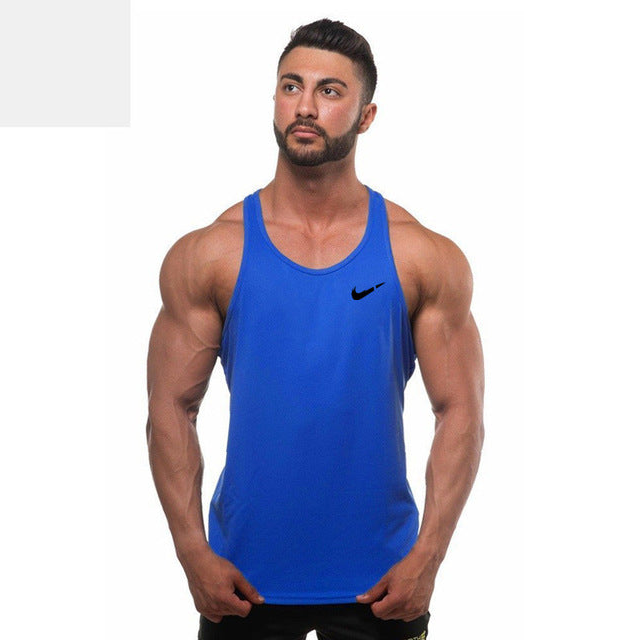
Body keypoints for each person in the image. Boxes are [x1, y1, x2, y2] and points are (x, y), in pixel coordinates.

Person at [146, 18, 485, 640]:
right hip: (240, 583)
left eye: (330, 91)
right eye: (291, 86)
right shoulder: (212, 253)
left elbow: (460, 410)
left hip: (384, 585)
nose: (305, 105)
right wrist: (192, 552)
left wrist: (428, 558)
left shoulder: (420, 255)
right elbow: (170, 408)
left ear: (366, 115)